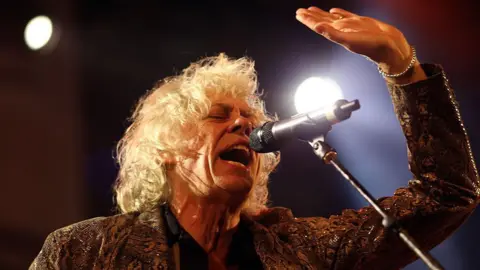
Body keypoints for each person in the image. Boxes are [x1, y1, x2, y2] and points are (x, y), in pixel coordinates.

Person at [30, 6, 479, 270]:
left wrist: (401, 65)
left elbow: (446, 195)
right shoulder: (84, 251)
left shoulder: (299, 249)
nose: (244, 125)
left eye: (249, 117)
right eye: (219, 116)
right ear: (167, 150)